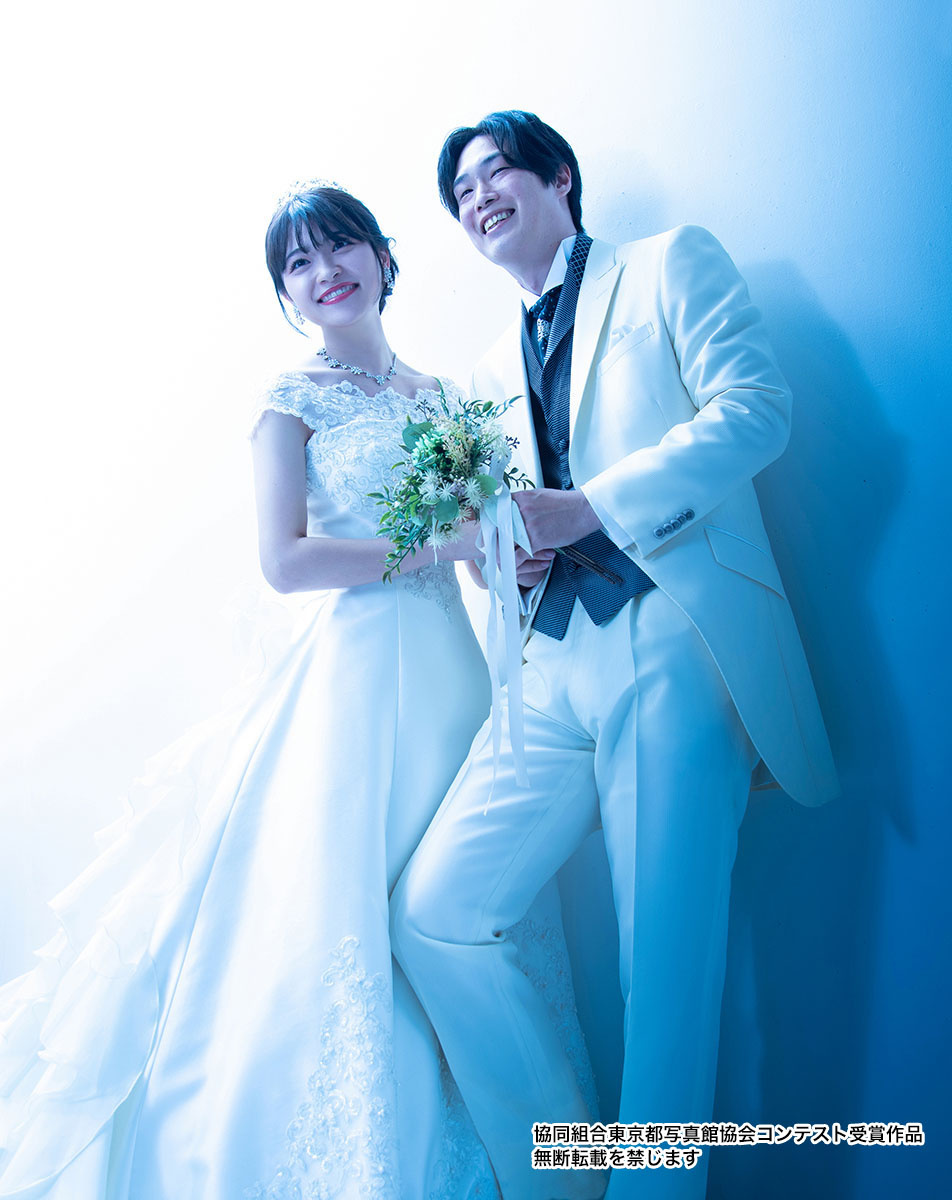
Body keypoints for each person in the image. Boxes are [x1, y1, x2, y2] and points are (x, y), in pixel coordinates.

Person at [0, 182, 596, 1199]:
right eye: (299, 263)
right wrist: (446, 546)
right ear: (286, 294)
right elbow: (285, 562)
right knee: (348, 905)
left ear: (382, 258)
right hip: (351, 685)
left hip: (451, 677)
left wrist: (508, 556)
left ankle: (542, 1155)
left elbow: (478, 546)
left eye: (340, 247)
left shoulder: (444, 397)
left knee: (457, 912)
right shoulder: (290, 400)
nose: (325, 273)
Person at [391, 112, 839, 1199]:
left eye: (495, 172)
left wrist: (591, 504)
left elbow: (757, 411)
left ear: (559, 178)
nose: (477, 198)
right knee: (435, 913)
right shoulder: (482, 372)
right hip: (546, 667)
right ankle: (565, 1181)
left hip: (673, 637)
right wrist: (506, 562)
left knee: (662, 972)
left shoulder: (669, 262)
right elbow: (503, 534)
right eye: (460, 194)